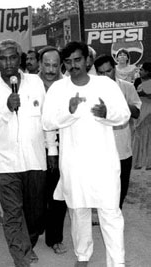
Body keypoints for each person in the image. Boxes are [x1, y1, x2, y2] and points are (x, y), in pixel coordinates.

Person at [42, 41, 130, 267]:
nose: (73, 65)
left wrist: (106, 113)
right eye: (68, 62)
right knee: (78, 210)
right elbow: (47, 122)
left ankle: (117, 262)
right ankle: (83, 255)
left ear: (87, 60)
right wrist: (68, 111)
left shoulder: (105, 85)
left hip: (104, 161)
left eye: (77, 60)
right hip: (73, 162)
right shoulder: (59, 89)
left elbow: (124, 115)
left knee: (110, 211)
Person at [0, 39, 57, 266]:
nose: (8, 62)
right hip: (5, 162)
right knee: (12, 214)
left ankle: (28, 243)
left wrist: (52, 150)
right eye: (3, 58)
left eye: (13, 57)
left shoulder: (35, 83)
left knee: (35, 215)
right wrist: (6, 109)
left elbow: (46, 118)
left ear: (20, 59)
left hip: (35, 160)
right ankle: (20, 259)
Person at [94, 54, 141, 208]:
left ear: (114, 69)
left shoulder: (127, 87)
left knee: (122, 185)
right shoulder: (92, 90)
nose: (105, 76)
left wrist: (119, 104)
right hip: (101, 148)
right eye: (101, 73)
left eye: (108, 71)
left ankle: (116, 211)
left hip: (122, 147)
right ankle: (105, 212)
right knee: (102, 185)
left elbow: (136, 111)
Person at [38, 46, 68, 254]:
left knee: (58, 196)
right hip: (34, 147)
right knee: (35, 196)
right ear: (39, 64)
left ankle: (55, 237)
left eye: (55, 65)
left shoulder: (68, 85)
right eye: (46, 64)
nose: (50, 69)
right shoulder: (28, 84)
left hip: (64, 147)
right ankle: (36, 227)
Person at [132, 62, 151, 169]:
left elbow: (146, 93)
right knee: (139, 135)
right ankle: (138, 161)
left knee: (148, 135)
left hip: (148, 111)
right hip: (141, 110)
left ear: (148, 71)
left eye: (142, 70)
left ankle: (148, 162)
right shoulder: (138, 81)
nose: (140, 71)